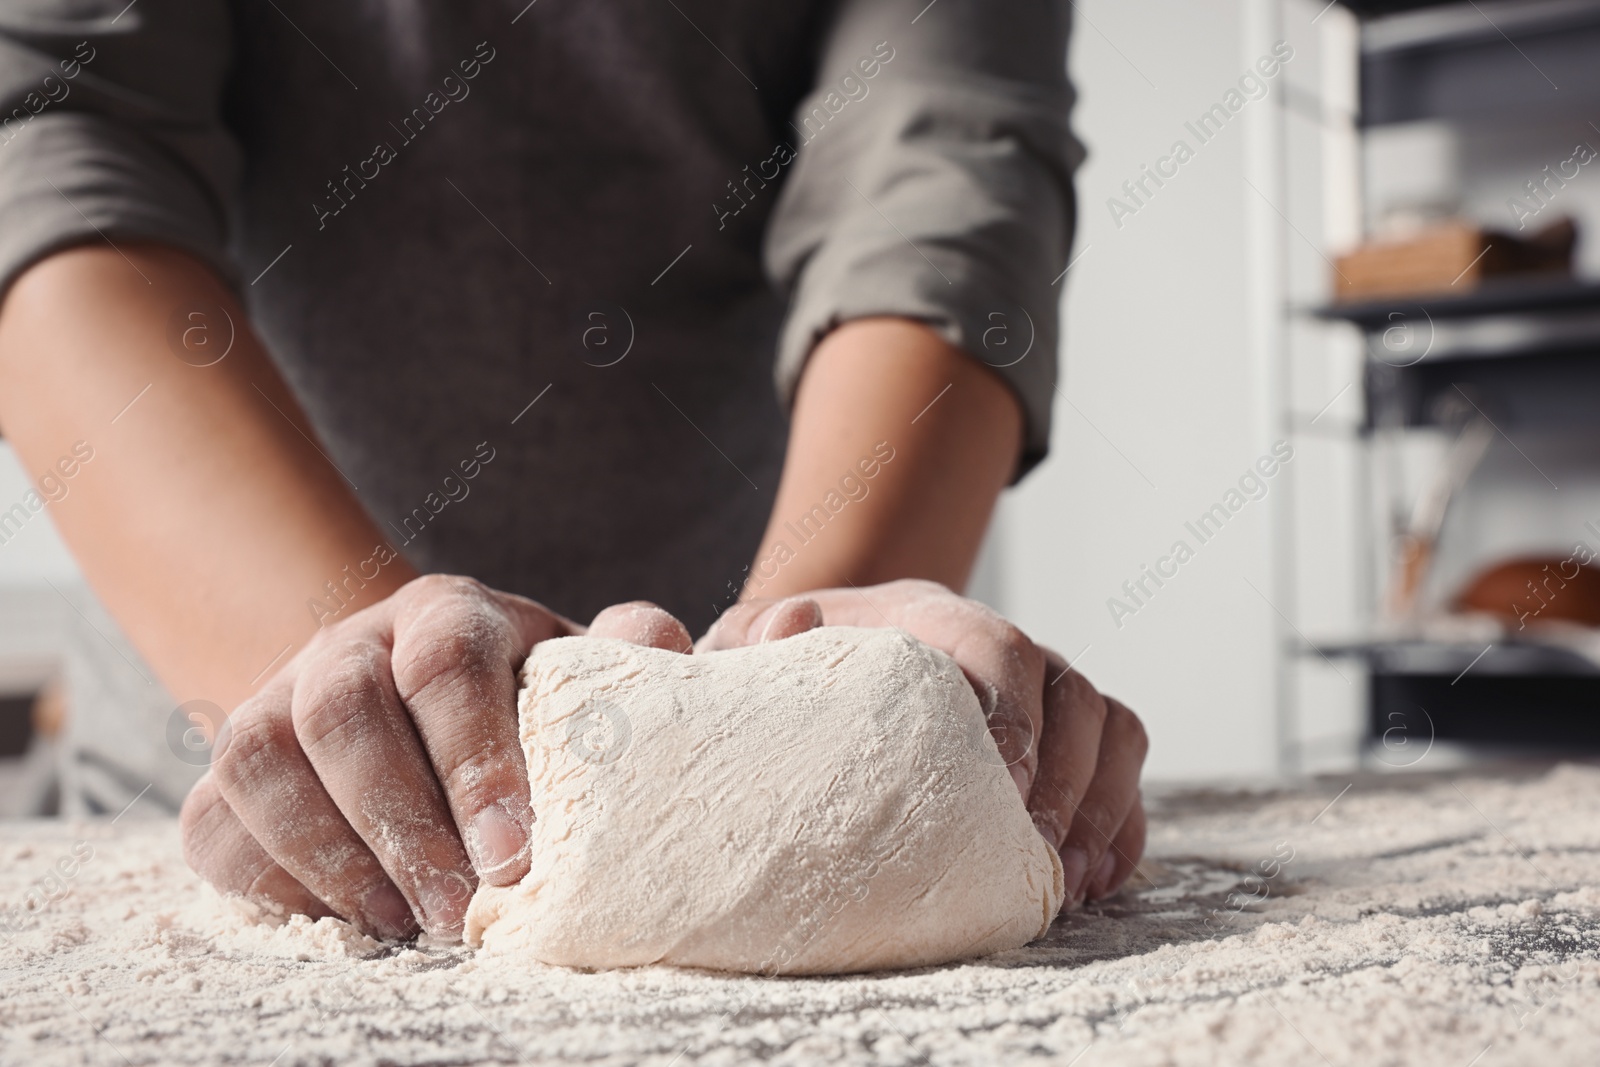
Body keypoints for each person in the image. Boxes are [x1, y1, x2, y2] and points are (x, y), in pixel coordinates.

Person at [0, 0, 1147, 941]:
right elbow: (53, 130)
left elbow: (942, 154)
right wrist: (362, 705)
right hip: (228, 750)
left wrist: (834, 686)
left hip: (743, 663)